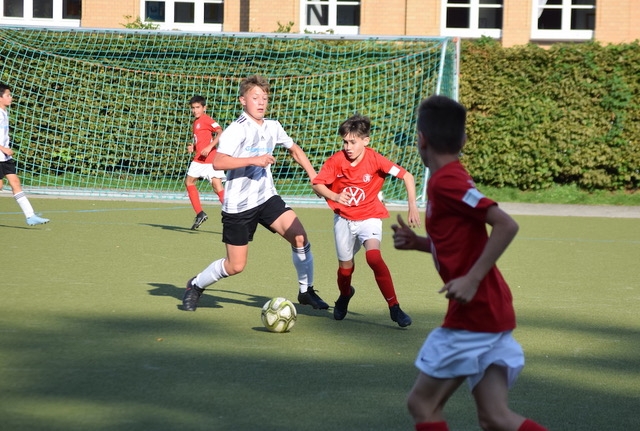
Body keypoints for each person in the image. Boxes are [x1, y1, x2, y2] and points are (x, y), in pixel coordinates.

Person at [391, 95, 547, 431]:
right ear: (463, 140)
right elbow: (457, 241)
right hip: (491, 311)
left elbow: (506, 224)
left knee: (422, 404)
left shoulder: (447, 181)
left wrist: (472, 279)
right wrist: (420, 243)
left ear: (421, 140)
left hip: (474, 314)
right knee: (494, 417)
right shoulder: (451, 176)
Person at [182, 75, 328, 311]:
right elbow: (218, 162)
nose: (261, 102)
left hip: (266, 197)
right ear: (243, 100)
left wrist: (314, 177)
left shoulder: (273, 126)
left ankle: (306, 291)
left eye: (265, 98)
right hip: (239, 205)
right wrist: (254, 160)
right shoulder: (236, 130)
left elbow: (294, 149)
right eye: (255, 97)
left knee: (300, 237)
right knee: (235, 266)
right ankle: (196, 285)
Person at [312, 114, 421, 327]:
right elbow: (317, 184)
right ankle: (345, 295)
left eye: (353, 142)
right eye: (345, 142)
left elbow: (407, 176)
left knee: (374, 256)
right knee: (345, 269)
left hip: (370, 216)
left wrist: (412, 206)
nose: (348, 147)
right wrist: (335, 196)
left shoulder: (376, 159)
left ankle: (394, 307)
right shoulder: (336, 160)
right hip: (343, 219)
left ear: (366, 141)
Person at [0, 83, 49, 226]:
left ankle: (30, 216)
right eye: (8, 95)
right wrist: (3, 148)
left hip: (5, 157)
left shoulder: (4, 112)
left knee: (15, 183)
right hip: (2, 153)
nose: (11, 98)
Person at [184, 95, 225, 230]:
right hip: (200, 159)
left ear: (204, 108)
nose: (195, 110)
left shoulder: (206, 119)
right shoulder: (195, 122)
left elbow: (220, 132)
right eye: (193, 108)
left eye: (198, 107)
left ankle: (233, 214)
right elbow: (201, 140)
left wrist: (209, 147)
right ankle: (200, 214)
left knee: (215, 187)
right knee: (191, 183)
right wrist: (194, 147)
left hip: (209, 159)